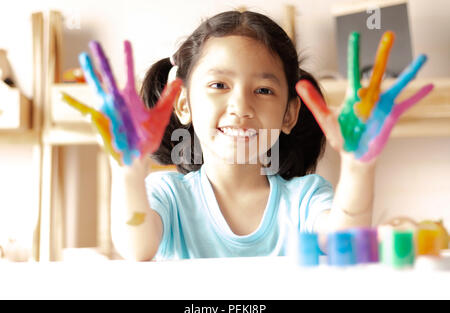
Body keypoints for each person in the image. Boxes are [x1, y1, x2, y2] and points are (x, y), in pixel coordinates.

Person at [72, 10, 427, 261]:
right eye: (219, 85)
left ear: (289, 114)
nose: (240, 105)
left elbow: (343, 237)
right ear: (183, 105)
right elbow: (136, 248)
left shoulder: (305, 199)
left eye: (263, 90)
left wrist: (358, 166)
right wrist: (129, 170)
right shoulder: (167, 197)